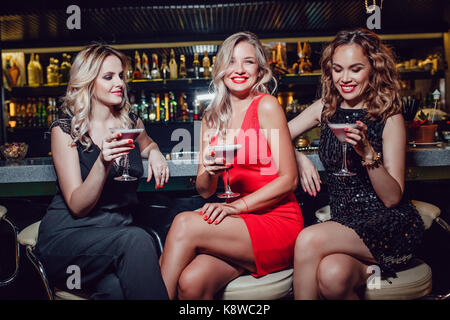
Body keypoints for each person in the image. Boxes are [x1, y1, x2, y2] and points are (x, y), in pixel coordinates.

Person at [160, 31, 304, 300]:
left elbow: (289, 180)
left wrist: (233, 207)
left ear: (259, 70)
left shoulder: (267, 105)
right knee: (191, 282)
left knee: (184, 223)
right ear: (220, 69)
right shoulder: (211, 118)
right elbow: (204, 190)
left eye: (248, 62)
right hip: (236, 225)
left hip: (276, 221)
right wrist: (210, 172)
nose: (239, 69)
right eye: (231, 62)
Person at [289, 28, 425, 300]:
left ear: (373, 69)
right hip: (343, 225)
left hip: (388, 226)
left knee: (307, 239)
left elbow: (392, 198)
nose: (345, 78)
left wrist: (367, 154)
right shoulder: (325, 108)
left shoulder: (389, 117)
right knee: (332, 275)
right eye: (338, 69)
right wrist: (299, 158)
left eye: (355, 69)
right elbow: (274, 135)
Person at [35, 44, 169, 300]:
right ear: (88, 82)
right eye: (108, 77)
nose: (119, 82)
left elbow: (147, 143)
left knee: (118, 291)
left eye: (121, 76)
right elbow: (77, 205)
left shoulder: (131, 122)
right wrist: (102, 163)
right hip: (69, 240)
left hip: (115, 239)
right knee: (138, 240)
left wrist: (154, 153)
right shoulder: (66, 130)